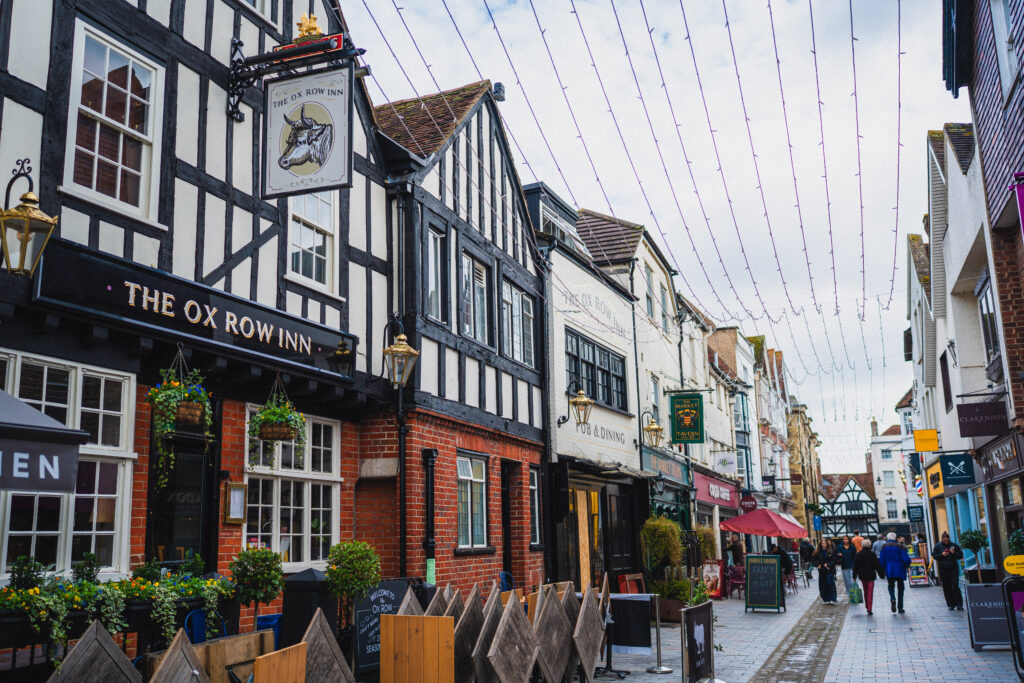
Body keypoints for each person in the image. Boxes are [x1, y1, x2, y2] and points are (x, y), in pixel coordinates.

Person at [879, 532, 911, 614]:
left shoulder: (884, 546)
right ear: (896, 538)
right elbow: (905, 558)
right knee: (900, 588)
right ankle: (900, 607)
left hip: (889, 569)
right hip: (900, 569)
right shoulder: (900, 546)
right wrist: (907, 565)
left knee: (891, 586)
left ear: (887, 538)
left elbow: (881, 559)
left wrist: (882, 569)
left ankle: (892, 598)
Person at [932, 531, 965, 610]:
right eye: (944, 540)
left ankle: (959, 604)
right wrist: (942, 554)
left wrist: (953, 553)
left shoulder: (954, 545)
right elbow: (934, 556)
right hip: (943, 569)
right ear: (942, 539)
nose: (946, 542)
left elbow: (960, 555)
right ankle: (950, 604)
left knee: (955, 585)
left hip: (953, 568)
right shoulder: (938, 546)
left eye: (947, 540)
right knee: (946, 586)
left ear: (949, 539)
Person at [854, 539, 885, 615]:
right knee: (870, 592)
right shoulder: (872, 554)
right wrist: (881, 574)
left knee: (865, 591)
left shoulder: (859, 554)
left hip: (862, 575)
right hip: (871, 575)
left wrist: (854, 575)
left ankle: (867, 605)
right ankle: (869, 608)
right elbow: (877, 565)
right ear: (870, 545)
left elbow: (855, 566)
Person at [813, 539, 838, 604]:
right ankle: (825, 599)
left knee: (830, 583)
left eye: (825, 543)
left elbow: (834, 560)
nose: (824, 544)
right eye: (822, 543)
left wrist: (828, 564)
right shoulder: (817, 551)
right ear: (820, 544)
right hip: (821, 571)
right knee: (823, 585)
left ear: (827, 544)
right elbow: (813, 559)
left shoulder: (830, 551)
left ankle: (832, 599)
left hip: (829, 570)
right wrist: (817, 564)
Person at [769, 542, 793, 608]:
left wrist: (782, 567)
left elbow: (784, 560)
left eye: (773, 550)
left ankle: (790, 587)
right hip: (782, 566)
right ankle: (785, 588)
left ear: (775, 548)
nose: (772, 551)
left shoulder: (782, 551)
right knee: (783, 576)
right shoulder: (774, 553)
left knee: (787, 575)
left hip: (788, 564)